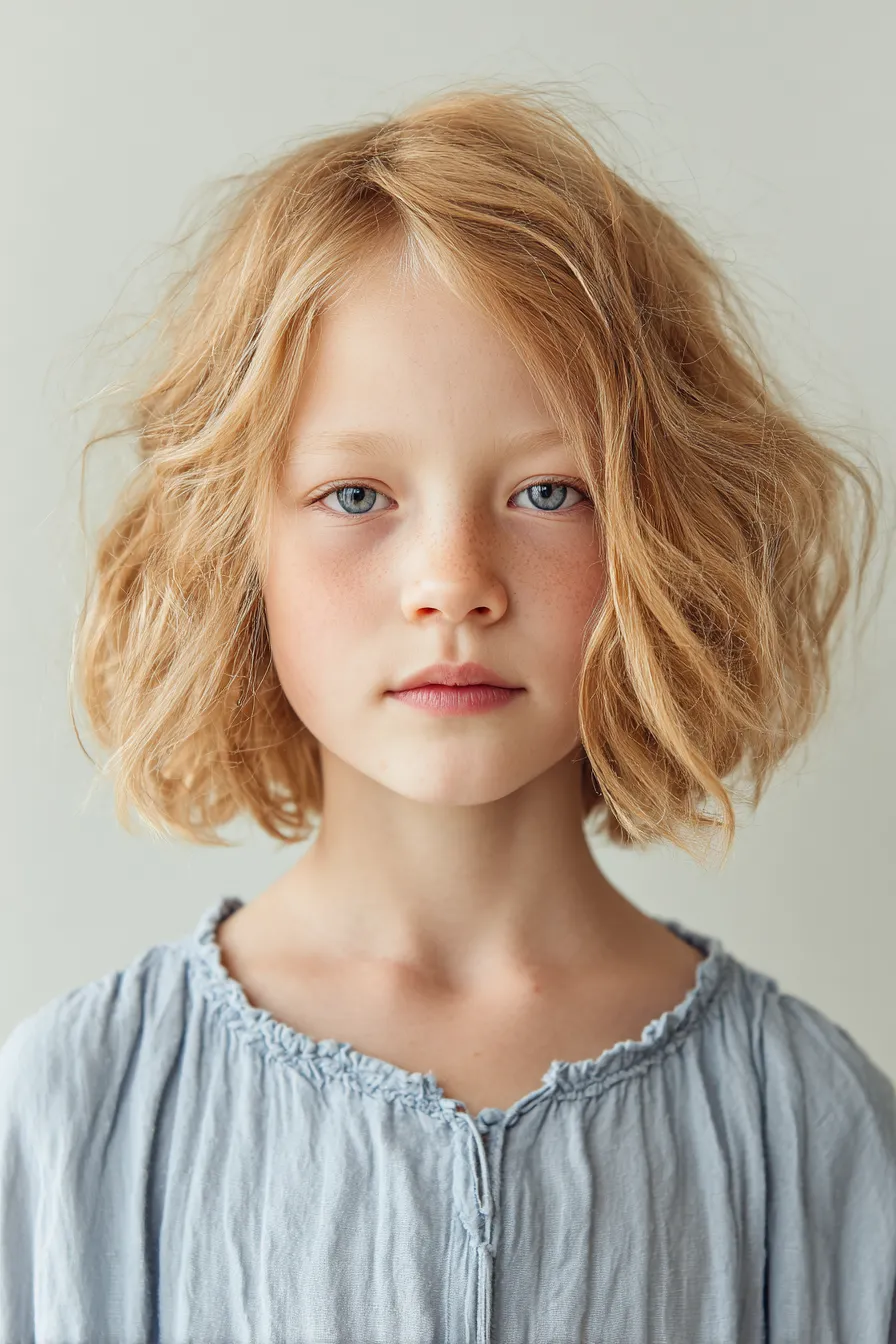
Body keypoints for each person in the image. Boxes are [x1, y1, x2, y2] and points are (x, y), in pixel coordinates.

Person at [1, 81, 894, 1344]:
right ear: (232, 548)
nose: (453, 584)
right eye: (357, 496)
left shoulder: (807, 1124)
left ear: (665, 534)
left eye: (548, 492)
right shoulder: (74, 1109)